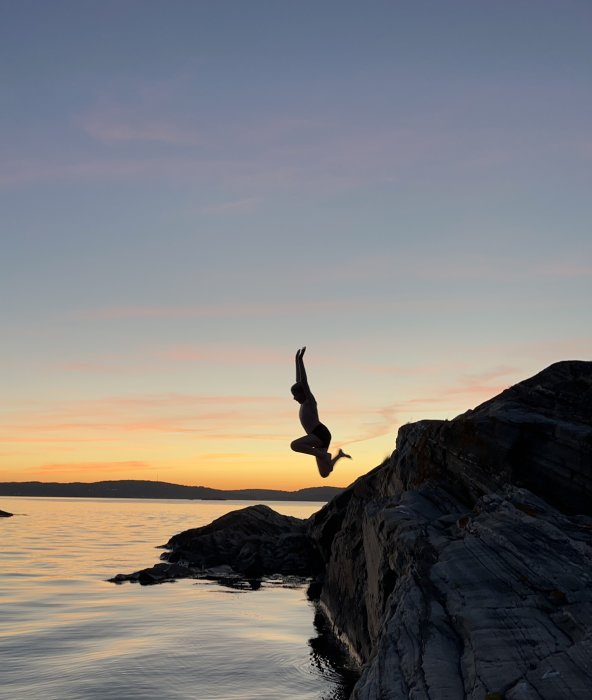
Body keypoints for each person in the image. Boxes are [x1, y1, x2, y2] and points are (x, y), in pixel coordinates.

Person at [290, 347, 351, 478]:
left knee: (294, 445)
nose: (294, 398)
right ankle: (339, 456)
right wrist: (295, 360)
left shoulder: (310, 402)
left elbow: (303, 382)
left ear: (302, 393)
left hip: (319, 434)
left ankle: (322, 454)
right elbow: (298, 381)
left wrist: (300, 360)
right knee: (325, 473)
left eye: (295, 395)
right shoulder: (303, 403)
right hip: (318, 436)